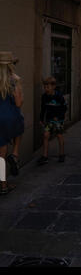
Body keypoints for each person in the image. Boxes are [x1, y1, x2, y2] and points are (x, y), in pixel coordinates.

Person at [0, 51, 24, 195]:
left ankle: (3, 186)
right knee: (20, 126)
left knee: (1, 156)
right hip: (10, 118)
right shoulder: (14, 80)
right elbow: (18, 102)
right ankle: (15, 153)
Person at [38, 77, 67, 165]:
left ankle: (61, 154)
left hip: (58, 120)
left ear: (53, 87)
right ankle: (45, 156)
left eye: (48, 87)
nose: (46, 89)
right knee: (46, 135)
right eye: (45, 87)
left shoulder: (59, 96)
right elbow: (43, 108)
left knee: (59, 135)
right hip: (49, 119)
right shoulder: (44, 97)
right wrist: (41, 119)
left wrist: (58, 117)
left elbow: (64, 108)